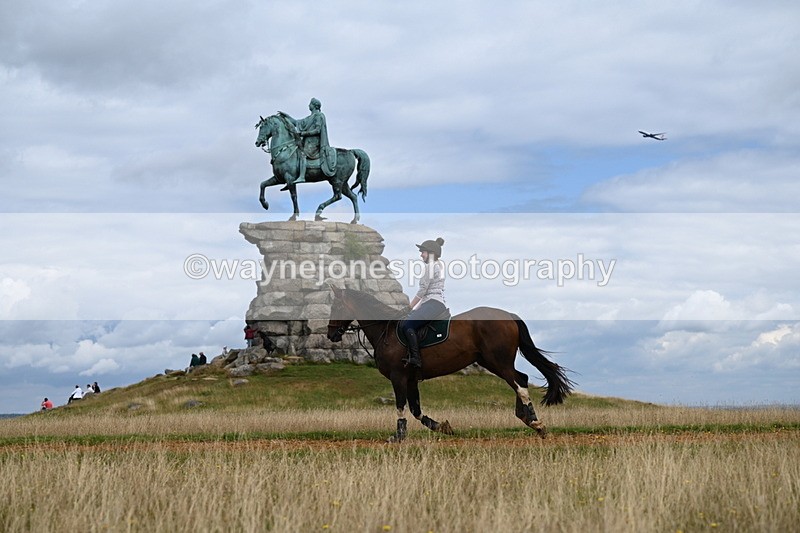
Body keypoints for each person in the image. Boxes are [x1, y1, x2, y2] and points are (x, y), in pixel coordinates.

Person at [399, 237, 447, 368]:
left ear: (431, 253)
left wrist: (409, 308)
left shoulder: (431, 267)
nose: (421, 255)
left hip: (433, 303)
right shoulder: (439, 265)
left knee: (407, 325)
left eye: (423, 252)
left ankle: (416, 358)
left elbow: (422, 292)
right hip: (434, 302)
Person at [277, 98, 337, 188]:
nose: (308, 105)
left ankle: (301, 176)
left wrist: (303, 133)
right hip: (307, 141)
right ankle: (291, 178)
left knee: (302, 154)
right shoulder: (310, 118)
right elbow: (297, 123)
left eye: (310, 104)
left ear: (314, 105)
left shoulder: (319, 116)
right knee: (294, 151)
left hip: (314, 143)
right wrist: (287, 116)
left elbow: (318, 130)